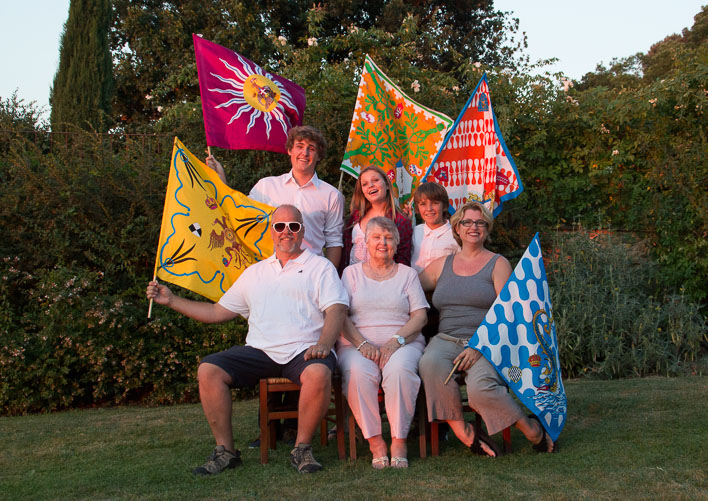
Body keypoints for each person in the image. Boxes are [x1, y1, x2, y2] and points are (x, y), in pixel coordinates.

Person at [146, 205, 349, 475]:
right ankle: (226, 452)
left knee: (319, 372)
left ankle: (302, 449)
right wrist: (172, 300)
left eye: (293, 226)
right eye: (280, 226)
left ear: (302, 232)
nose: (286, 232)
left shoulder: (320, 267)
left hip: (304, 349)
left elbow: (336, 309)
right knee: (209, 370)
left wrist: (323, 344)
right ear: (271, 231)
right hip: (260, 351)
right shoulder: (255, 273)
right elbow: (216, 312)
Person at [418, 201, 556, 457]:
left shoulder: (498, 263)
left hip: (487, 341)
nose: (474, 227)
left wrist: (480, 346)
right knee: (429, 365)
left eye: (480, 222)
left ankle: (532, 429)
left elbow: (508, 312)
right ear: (457, 228)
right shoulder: (441, 264)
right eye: (467, 222)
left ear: (487, 228)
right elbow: (407, 288)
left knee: (480, 389)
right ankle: (464, 432)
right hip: (445, 340)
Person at [337, 217, 428, 469]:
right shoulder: (350, 274)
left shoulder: (408, 274)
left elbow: (420, 316)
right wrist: (362, 344)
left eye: (388, 238)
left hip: (403, 342)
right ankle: (375, 441)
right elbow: (340, 315)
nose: (382, 243)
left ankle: (399, 440)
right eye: (376, 237)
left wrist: (396, 341)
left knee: (399, 371)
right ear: (365, 243)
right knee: (358, 373)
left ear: (396, 244)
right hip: (356, 344)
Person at [207, 125, 344, 268]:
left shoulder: (331, 195)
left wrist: (329, 274)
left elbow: (334, 241)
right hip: (269, 270)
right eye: (299, 146)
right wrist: (220, 182)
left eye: (312, 148)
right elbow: (239, 215)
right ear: (290, 150)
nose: (305, 153)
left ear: (319, 156)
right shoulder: (266, 186)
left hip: (311, 272)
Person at [339, 165, 412, 274]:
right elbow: (344, 253)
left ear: (387, 185)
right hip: (351, 279)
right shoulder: (356, 216)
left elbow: (403, 262)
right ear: (362, 190)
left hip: (382, 280)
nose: (371, 185)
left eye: (375, 180)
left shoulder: (400, 221)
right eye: (365, 184)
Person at [410, 181, 459, 273]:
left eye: (435, 203)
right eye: (423, 204)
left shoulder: (455, 235)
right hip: (415, 281)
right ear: (417, 208)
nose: (429, 209)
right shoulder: (415, 232)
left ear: (444, 206)